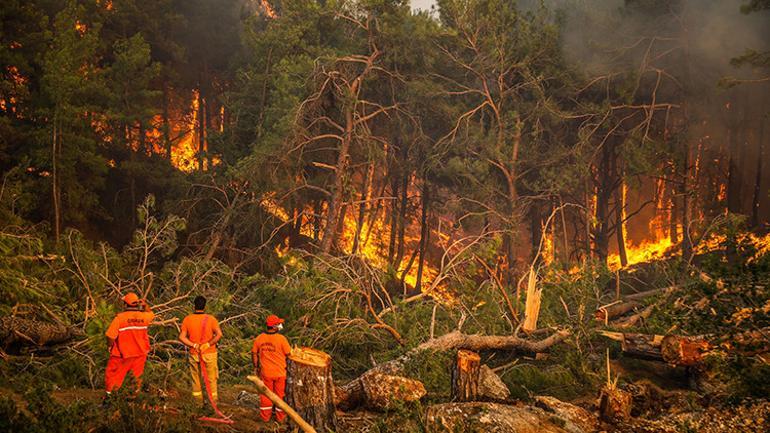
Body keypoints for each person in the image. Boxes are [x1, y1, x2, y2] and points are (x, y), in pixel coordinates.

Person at [104, 292, 154, 398]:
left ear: (125, 305)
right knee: (136, 378)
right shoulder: (144, 317)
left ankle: (109, 399)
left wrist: (109, 346)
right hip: (140, 353)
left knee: (112, 375)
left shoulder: (120, 318)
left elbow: (110, 335)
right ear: (137, 304)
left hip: (122, 354)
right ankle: (133, 400)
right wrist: (145, 305)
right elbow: (151, 313)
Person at [179, 296, 223, 404]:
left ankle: (198, 404)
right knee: (211, 379)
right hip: (210, 353)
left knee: (196, 380)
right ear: (205, 306)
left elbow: (182, 337)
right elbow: (219, 335)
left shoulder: (187, 319)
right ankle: (213, 404)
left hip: (194, 354)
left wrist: (194, 345)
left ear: (194, 305)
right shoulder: (211, 319)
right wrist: (208, 344)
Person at [251, 314, 292, 422]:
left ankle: (265, 418)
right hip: (280, 373)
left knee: (265, 396)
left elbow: (254, 353)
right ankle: (280, 418)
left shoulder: (259, 338)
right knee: (280, 396)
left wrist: (256, 367)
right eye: (278, 324)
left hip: (266, 373)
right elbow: (289, 354)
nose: (280, 325)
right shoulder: (282, 339)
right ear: (274, 326)